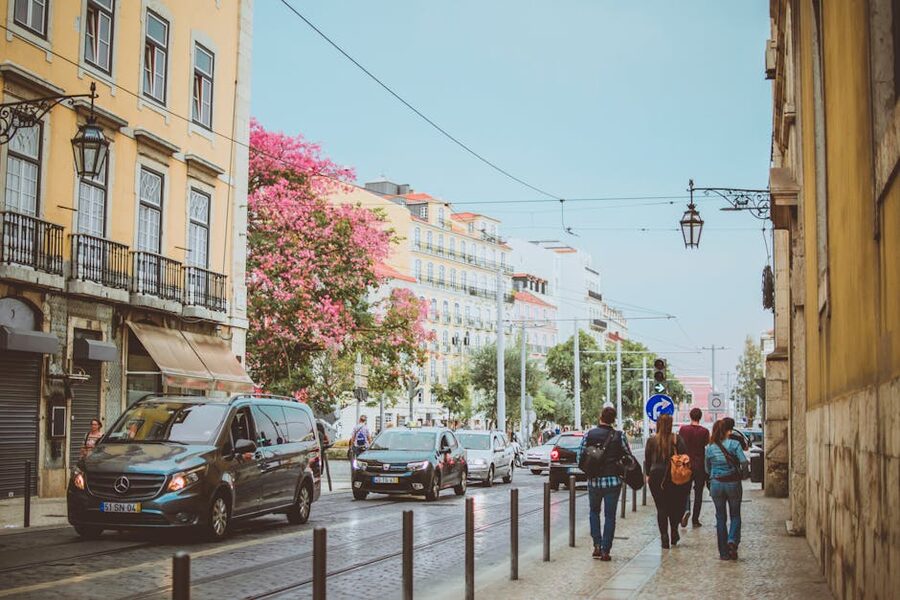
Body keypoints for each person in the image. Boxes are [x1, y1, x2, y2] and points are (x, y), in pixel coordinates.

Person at [579, 406, 629, 561]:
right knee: (610, 516)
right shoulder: (619, 436)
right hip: (613, 481)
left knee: (594, 512)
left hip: (594, 481)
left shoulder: (589, 434)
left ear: (600, 417)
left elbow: (580, 456)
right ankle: (606, 550)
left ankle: (597, 545)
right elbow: (628, 456)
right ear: (613, 419)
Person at [643, 414, 690, 549]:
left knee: (661, 507)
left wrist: (647, 475)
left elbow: (647, 460)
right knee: (674, 505)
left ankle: (664, 536)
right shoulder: (676, 439)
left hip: (655, 476)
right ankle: (674, 531)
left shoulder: (651, 441)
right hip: (673, 476)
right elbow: (685, 457)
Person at [706, 419, 749, 560]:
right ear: (727, 430)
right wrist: (743, 474)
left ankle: (723, 553)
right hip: (732, 483)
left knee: (720, 517)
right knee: (735, 515)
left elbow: (707, 468)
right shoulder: (734, 444)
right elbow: (743, 461)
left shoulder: (710, 447)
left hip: (716, 484)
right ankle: (732, 541)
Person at [678, 408, 710, 527]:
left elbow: (679, 445)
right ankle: (695, 520)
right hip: (699, 465)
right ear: (700, 417)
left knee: (685, 490)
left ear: (690, 416)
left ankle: (686, 509)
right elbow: (706, 446)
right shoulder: (705, 431)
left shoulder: (683, 430)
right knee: (698, 493)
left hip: (686, 464)